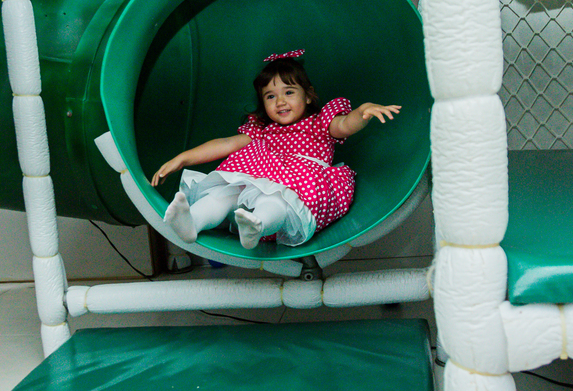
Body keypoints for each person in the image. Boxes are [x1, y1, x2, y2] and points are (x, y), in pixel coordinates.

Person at [151, 49, 401, 250]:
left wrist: (363, 112)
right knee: (225, 193)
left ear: (308, 96)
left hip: (298, 191)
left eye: (289, 92)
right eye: (270, 96)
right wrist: (183, 159)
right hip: (251, 193)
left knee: (275, 199)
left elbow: (345, 125)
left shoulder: (319, 124)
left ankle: (257, 226)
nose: (280, 101)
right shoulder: (261, 131)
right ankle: (192, 223)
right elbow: (225, 144)